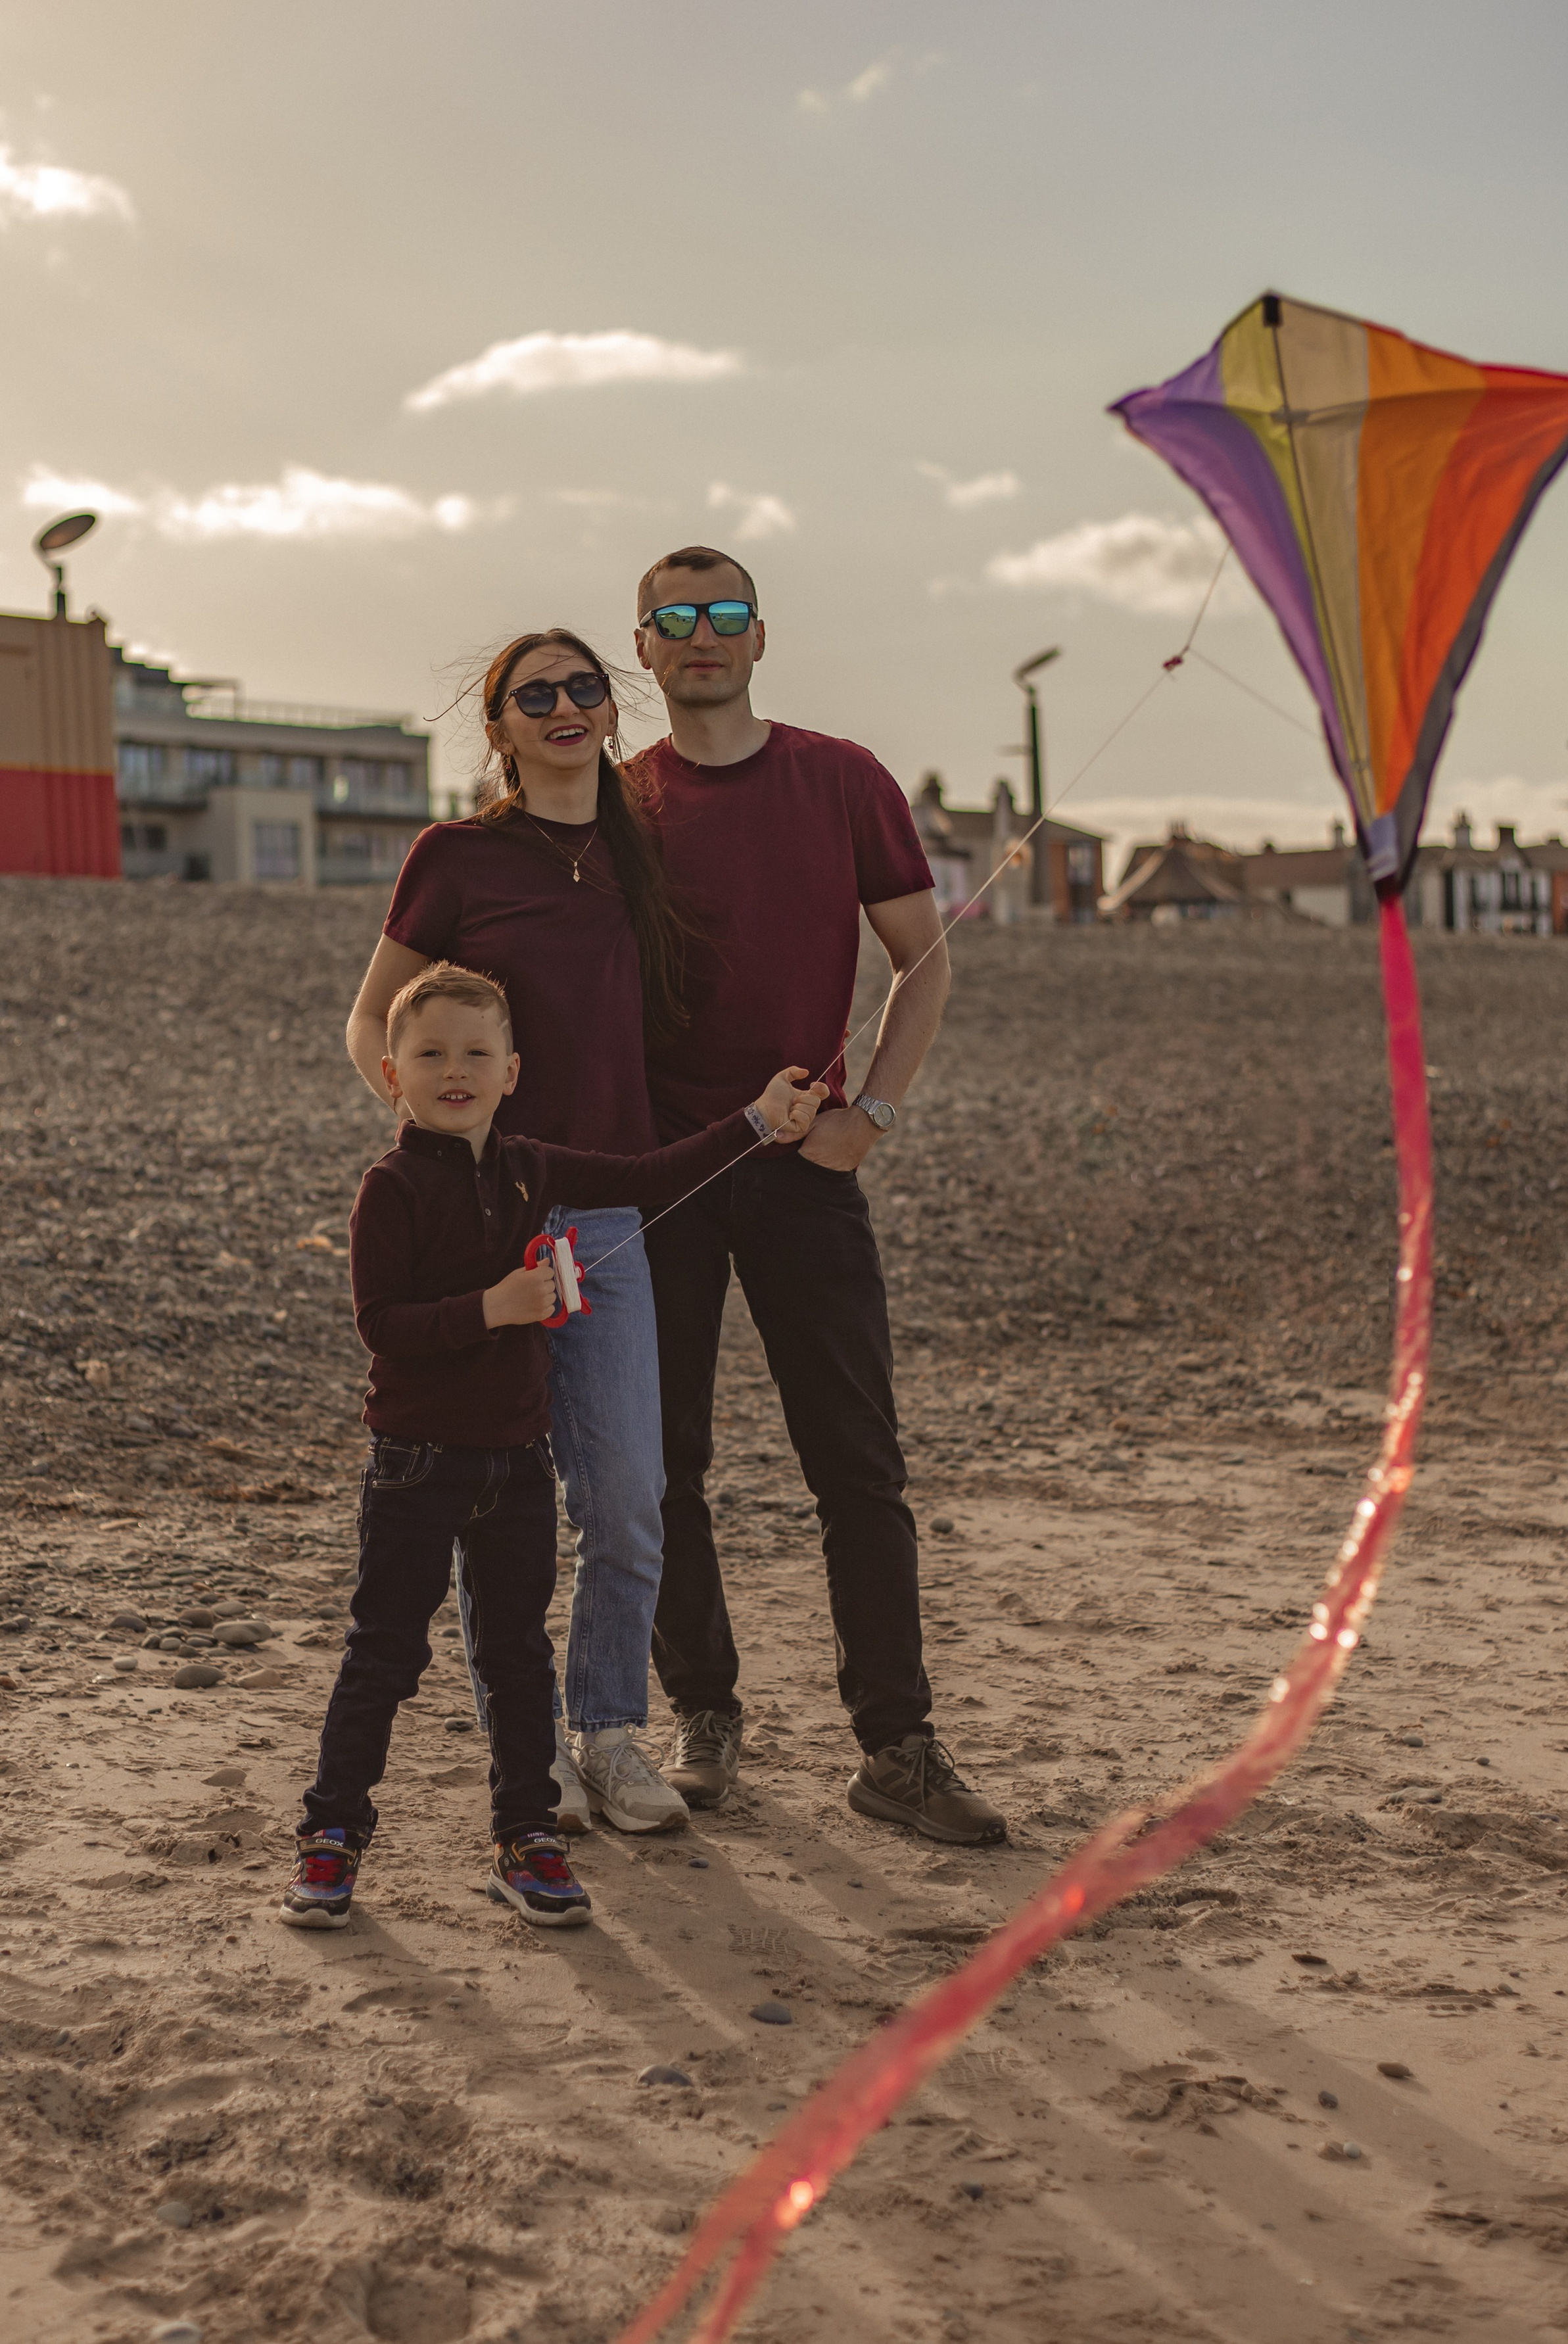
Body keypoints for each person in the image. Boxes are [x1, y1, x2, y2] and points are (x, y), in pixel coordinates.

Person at [281, 961, 824, 1930]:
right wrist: (490, 1309)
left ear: (513, 1070)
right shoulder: (390, 1187)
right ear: (392, 1073)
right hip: (416, 1465)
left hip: (517, 1465)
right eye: (432, 1052)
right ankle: (330, 1839)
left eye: (478, 1052)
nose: (458, 1069)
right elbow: (381, 1323)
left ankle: (525, 1838)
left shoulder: (533, 1167)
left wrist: (753, 1121)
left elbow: (649, 1175)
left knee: (521, 1657)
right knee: (382, 1654)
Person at [626, 544, 1006, 1847]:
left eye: (722, 613)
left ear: (760, 635)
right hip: (664, 1175)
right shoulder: (618, 804)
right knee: (660, 1464)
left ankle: (896, 1747)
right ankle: (704, 1714)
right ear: (645, 650)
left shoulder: (840, 778)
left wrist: (870, 1117)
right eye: (673, 619)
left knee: (856, 1465)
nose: (700, 636)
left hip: (803, 1173)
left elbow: (921, 962)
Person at [345, 629, 693, 1836]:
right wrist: (447, 1181)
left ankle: (608, 1733)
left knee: (626, 1494)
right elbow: (369, 1036)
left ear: (611, 708)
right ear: (496, 728)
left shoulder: (643, 850)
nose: (561, 705)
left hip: (602, 1222)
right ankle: (524, 1749)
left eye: (582, 687)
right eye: (531, 694)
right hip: (488, 1223)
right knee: (483, 1488)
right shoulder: (456, 856)